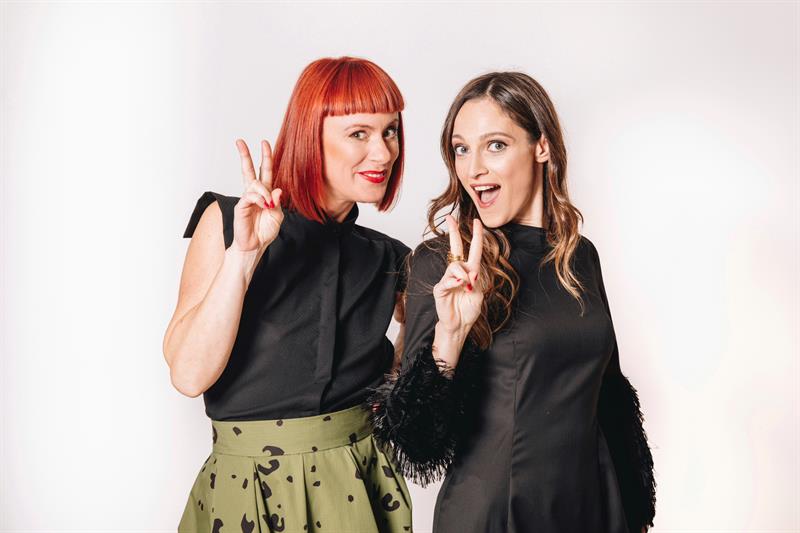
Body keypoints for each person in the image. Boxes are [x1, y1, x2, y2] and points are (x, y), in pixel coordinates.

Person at [369, 71, 656, 533]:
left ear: (542, 146)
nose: (473, 169)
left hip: (594, 506)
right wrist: (450, 334)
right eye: (461, 149)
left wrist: (636, 510)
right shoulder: (443, 261)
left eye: (495, 145)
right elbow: (416, 442)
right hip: (499, 515)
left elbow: (611, 395)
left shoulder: (578, 255)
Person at [164, 56, 413, 533]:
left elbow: (410, 391)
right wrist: (244, 256)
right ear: (309, 136)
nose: (383, 153)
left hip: (357, 484)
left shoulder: (389, 260)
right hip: (246, 489)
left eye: (390, 132)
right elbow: (189, 375)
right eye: (359, 133)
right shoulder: (229, 221)